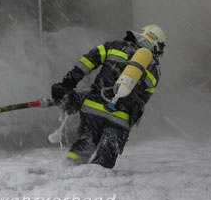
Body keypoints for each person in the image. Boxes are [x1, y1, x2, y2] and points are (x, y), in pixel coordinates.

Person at [51, 24, 166, 169]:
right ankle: (96, 183)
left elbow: (87, 62)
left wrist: (67, 83)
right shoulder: (154, 71)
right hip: (120, 120)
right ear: (156, 45)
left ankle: (68, 173)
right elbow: (142, 101)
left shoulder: (115, 46)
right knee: (104, 162)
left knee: (84, 145)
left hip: (94, 109)